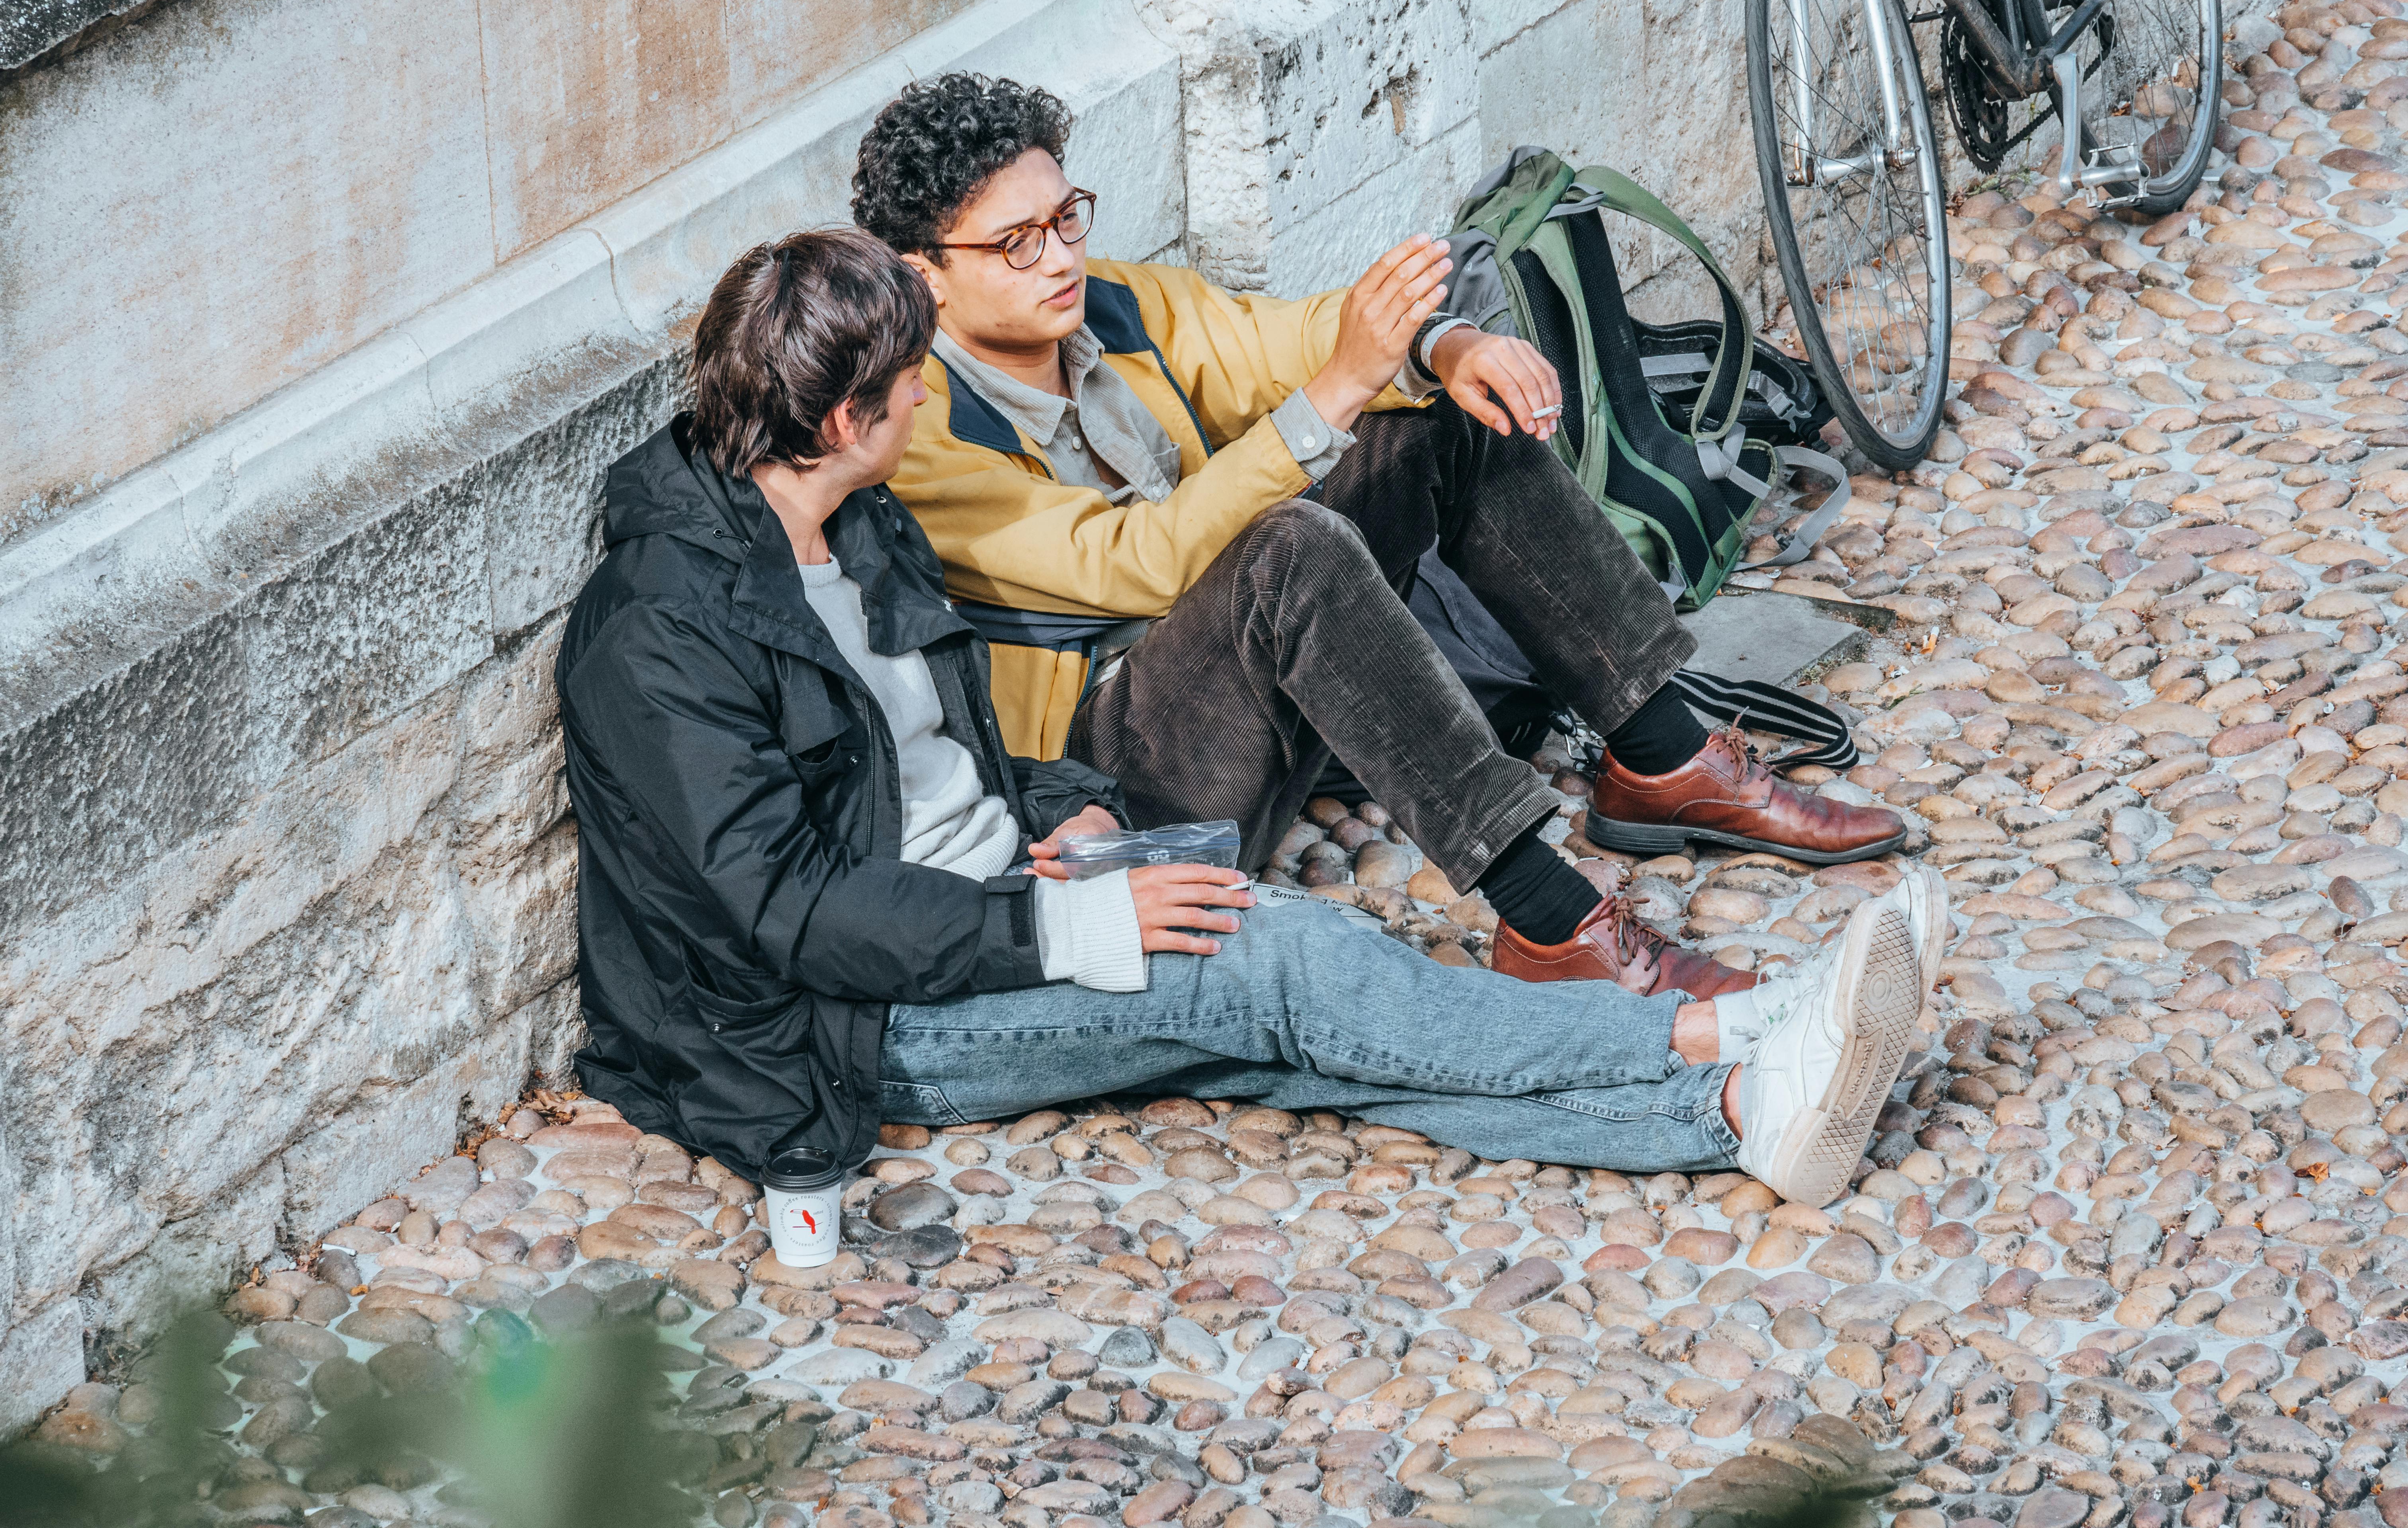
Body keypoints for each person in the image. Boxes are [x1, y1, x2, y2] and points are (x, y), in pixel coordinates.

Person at [551, 228, 1941, 1209]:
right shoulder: (662, 637)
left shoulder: (851, 518)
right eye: (910, 384)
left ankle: (1744, 1122)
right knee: (1285, 967)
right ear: (853, 413)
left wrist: (1057, 809)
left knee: (1310, 1055)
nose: (929, 396)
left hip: (1009, 893)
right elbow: (782, 915)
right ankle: (1741, 1031)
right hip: (861, 1022)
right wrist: (1065, 925)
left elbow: (934, 762)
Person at [849, 74, 1908, 995]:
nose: (1058, 259)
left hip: (1243, 684)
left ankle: (1663, 756)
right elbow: (1135, 568)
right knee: (1288, 546)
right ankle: (1550, 917)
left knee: (1434, 413)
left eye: (1066, 218)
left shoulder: (1115, 305)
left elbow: (1289, 334)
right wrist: (1335, 391)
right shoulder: (915, 429)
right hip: (1110, 790)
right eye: (1014, 243)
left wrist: (1440, 346)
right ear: (922, 275)